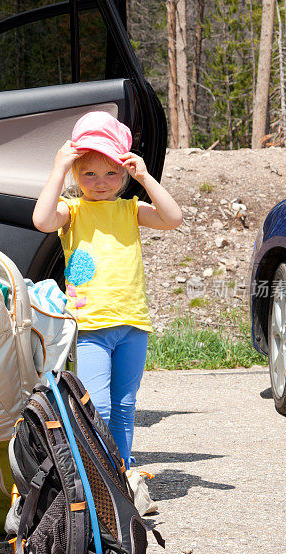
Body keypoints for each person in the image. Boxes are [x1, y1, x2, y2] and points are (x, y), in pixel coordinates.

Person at [32, 111, 183, 498]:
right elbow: (41, 219)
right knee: (95, 406)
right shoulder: (74, 211)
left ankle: (120, 476)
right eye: (88, 174)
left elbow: (173, 217)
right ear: (75, 176)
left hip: (133, 324)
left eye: (111, 174)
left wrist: (147, 177)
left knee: (125, 407)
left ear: (125, 174)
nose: (100, 183)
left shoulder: (130, 209)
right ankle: (95, 480)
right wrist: (57, 168)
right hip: (90, 325)